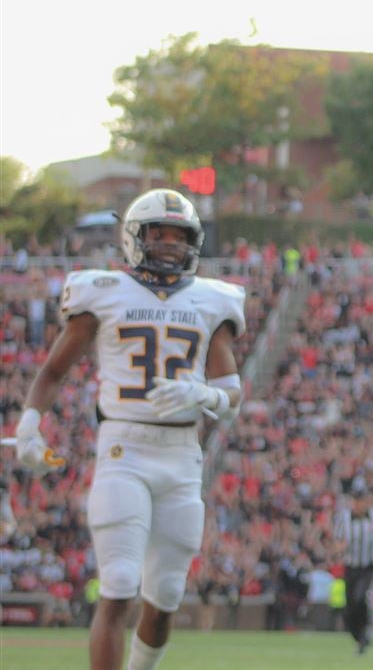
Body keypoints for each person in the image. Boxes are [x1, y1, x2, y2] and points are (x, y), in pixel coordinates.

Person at [14, 188, 245, 670]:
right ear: (134, 238)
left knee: (165, 598)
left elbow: (232, 394)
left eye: (179, 236)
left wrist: (206, 395)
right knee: (118, 586)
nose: (168, 244)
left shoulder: (212, 299)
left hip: (182, 458)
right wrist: (30, 425)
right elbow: (54, 371)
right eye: (157, 233)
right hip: (124, 449)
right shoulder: (103, 292)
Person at [333, 488, 373, 655]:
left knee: (361, 597)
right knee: (350, 605)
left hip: (368, 566)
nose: (359, 505)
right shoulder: (344, 518)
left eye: (362, 501)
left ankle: (366, 630)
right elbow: (337, 542)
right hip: (351, 566)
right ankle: (359, 637)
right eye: (356, 501)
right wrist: (341, 548)